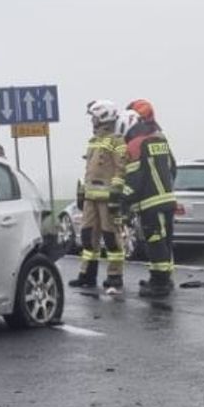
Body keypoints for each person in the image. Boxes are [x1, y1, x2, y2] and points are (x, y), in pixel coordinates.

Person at [117, 108, 177, 298]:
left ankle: (160, 284)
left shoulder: (134, 145)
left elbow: (135, 178)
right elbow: (172, 168)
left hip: (150, 203)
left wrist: (123, 200)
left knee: (155, 242)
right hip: (167, 199)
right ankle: (163, 278)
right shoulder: (160, 140)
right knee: (165, 241)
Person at [69, 100, 127, 292]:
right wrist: (81, 192)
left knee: (111, 238)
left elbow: (121, 168)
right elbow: (88, 170)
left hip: (107, 199)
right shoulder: (93, 141)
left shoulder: (116, 141)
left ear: (103, 117)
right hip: (90, 199)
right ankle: (87, 274)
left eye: (94, 117)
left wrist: (116, 194)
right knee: (87, 237)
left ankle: (114, 276)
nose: (92, 121)